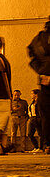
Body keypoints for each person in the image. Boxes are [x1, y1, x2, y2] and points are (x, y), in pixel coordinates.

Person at [27, 17, 50, 153]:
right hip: (46, 80)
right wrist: (41, 73)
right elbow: (32, 55)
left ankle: (48, 144)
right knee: (46, 114)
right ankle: (47, 143)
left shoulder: (41, 38)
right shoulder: (41, 38)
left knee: (47, 114)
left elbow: (32, 56)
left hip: (45, 78)